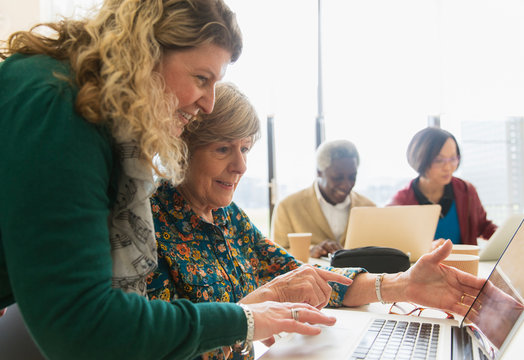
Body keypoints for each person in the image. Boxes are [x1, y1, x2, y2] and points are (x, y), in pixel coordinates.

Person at [0, 1, 337, 359]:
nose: (208, 104)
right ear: (144, 52)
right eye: (202, 79)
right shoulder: (59, 105)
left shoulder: (82, 105)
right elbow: (84, 326)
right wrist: (245, 320)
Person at [148, 82, 487, 360]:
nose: (241, 166)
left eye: (246, 149)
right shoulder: (148, 225)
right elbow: (156, 349)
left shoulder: (226, 216)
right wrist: (249, 315)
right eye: (223, 149)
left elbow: (308, 279)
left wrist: (403, 285)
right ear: (181, 147)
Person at [389, 127, 497, 246]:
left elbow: (483, 227)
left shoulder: (466, 190)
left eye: (453, 159)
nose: (448, 167)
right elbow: (397, 245)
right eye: (439, 160)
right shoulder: (401, 202)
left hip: (463, 265)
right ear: (420, 159)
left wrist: (508, 235)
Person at [271, 139, 376, 258]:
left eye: (352, 177)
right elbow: (275, 256)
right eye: (338, 178)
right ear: (319, 172)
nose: (346, 185)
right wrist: (308, 251)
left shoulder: (369, 207)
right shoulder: (288, 207)